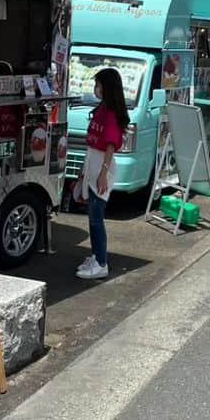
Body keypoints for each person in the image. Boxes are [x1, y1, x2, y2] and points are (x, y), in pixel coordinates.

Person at [78, 67, 128, 280]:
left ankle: (101, 262)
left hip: (101, 166)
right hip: (94, 164)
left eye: (98, 85)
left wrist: (102, 174)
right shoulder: (102, 109)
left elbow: (110, 145)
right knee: (92, 216)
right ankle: (96, 256)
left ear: (107, 88)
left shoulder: (110, 113)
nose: (95, 89)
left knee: (97, 218)